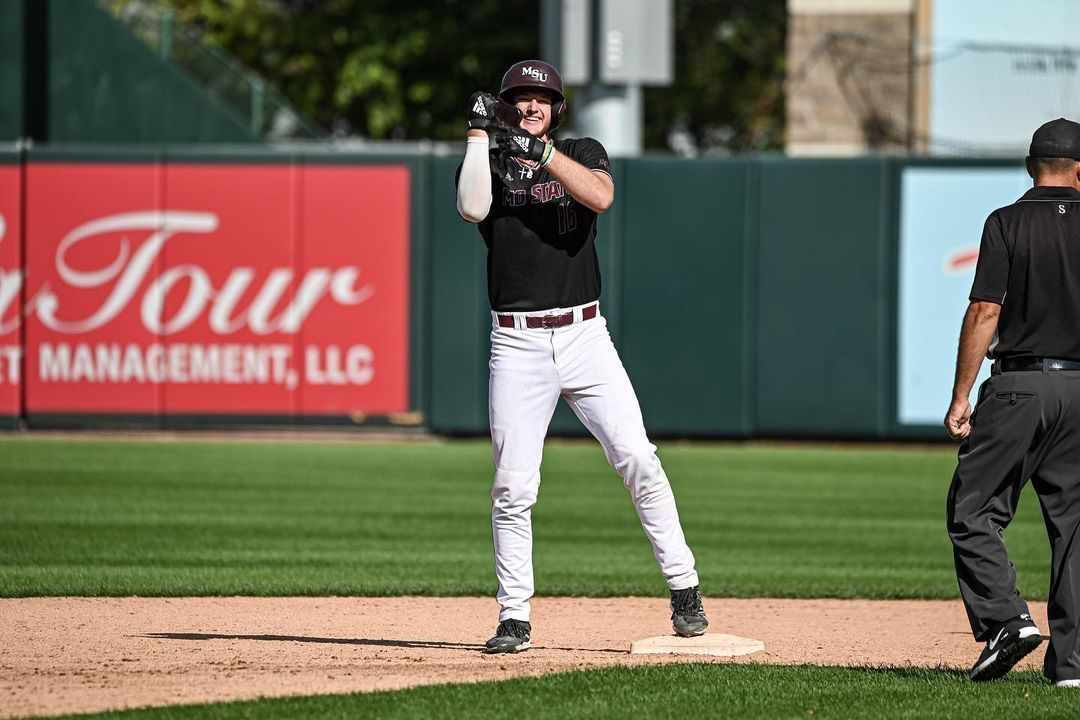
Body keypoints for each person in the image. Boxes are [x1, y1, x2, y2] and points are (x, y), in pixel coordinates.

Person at [455, 59, 707, 654]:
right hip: (516, 341)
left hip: (584, 334)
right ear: (505, 103)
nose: (530, 107)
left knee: (638, 459)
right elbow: (471, 208)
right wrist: (477, 134)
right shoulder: (490, 161)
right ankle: (514, 616)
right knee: (513, 486)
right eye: (518, 98)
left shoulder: (582, 149)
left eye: (541, 99)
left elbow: (600, 195)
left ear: (557, 109)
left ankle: (684, 588)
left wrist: (538, 154)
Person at [944, 118, 1080, 686]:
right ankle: (1072, 666)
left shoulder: (1006, 222)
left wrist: (960, 397)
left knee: (972, 509)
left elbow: (985, 311)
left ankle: (1007, 620)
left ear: (1031, 166)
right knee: (1075, 528)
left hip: (1019, 386)